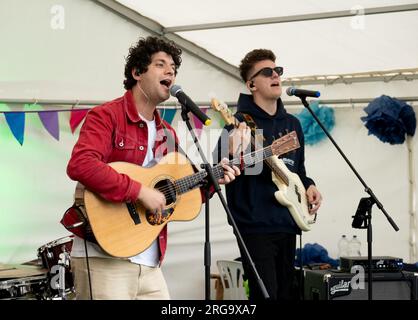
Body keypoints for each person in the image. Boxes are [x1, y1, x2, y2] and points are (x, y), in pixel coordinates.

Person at [65, 36, 240, 300]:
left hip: (150, 260)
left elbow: (179, 194)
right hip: (104, 257)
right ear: (137, 72)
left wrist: (214, 180)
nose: (170, 71)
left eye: (173, 68)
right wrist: (138, 191)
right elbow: (81, 164)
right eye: (161, 64)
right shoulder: (107, 116)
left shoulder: (166, 132)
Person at [214, 49, 322, 300]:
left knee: (285, 294)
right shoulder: (239, 122)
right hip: (254, 226)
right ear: (251, 84)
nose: (276, 75)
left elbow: (299, 169)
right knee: (265, 295)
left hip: (289, 221)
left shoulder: (292, 124)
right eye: (267, 72)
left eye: (278, 71)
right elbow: (219, 166)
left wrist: (309, 186)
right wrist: (231, 149)